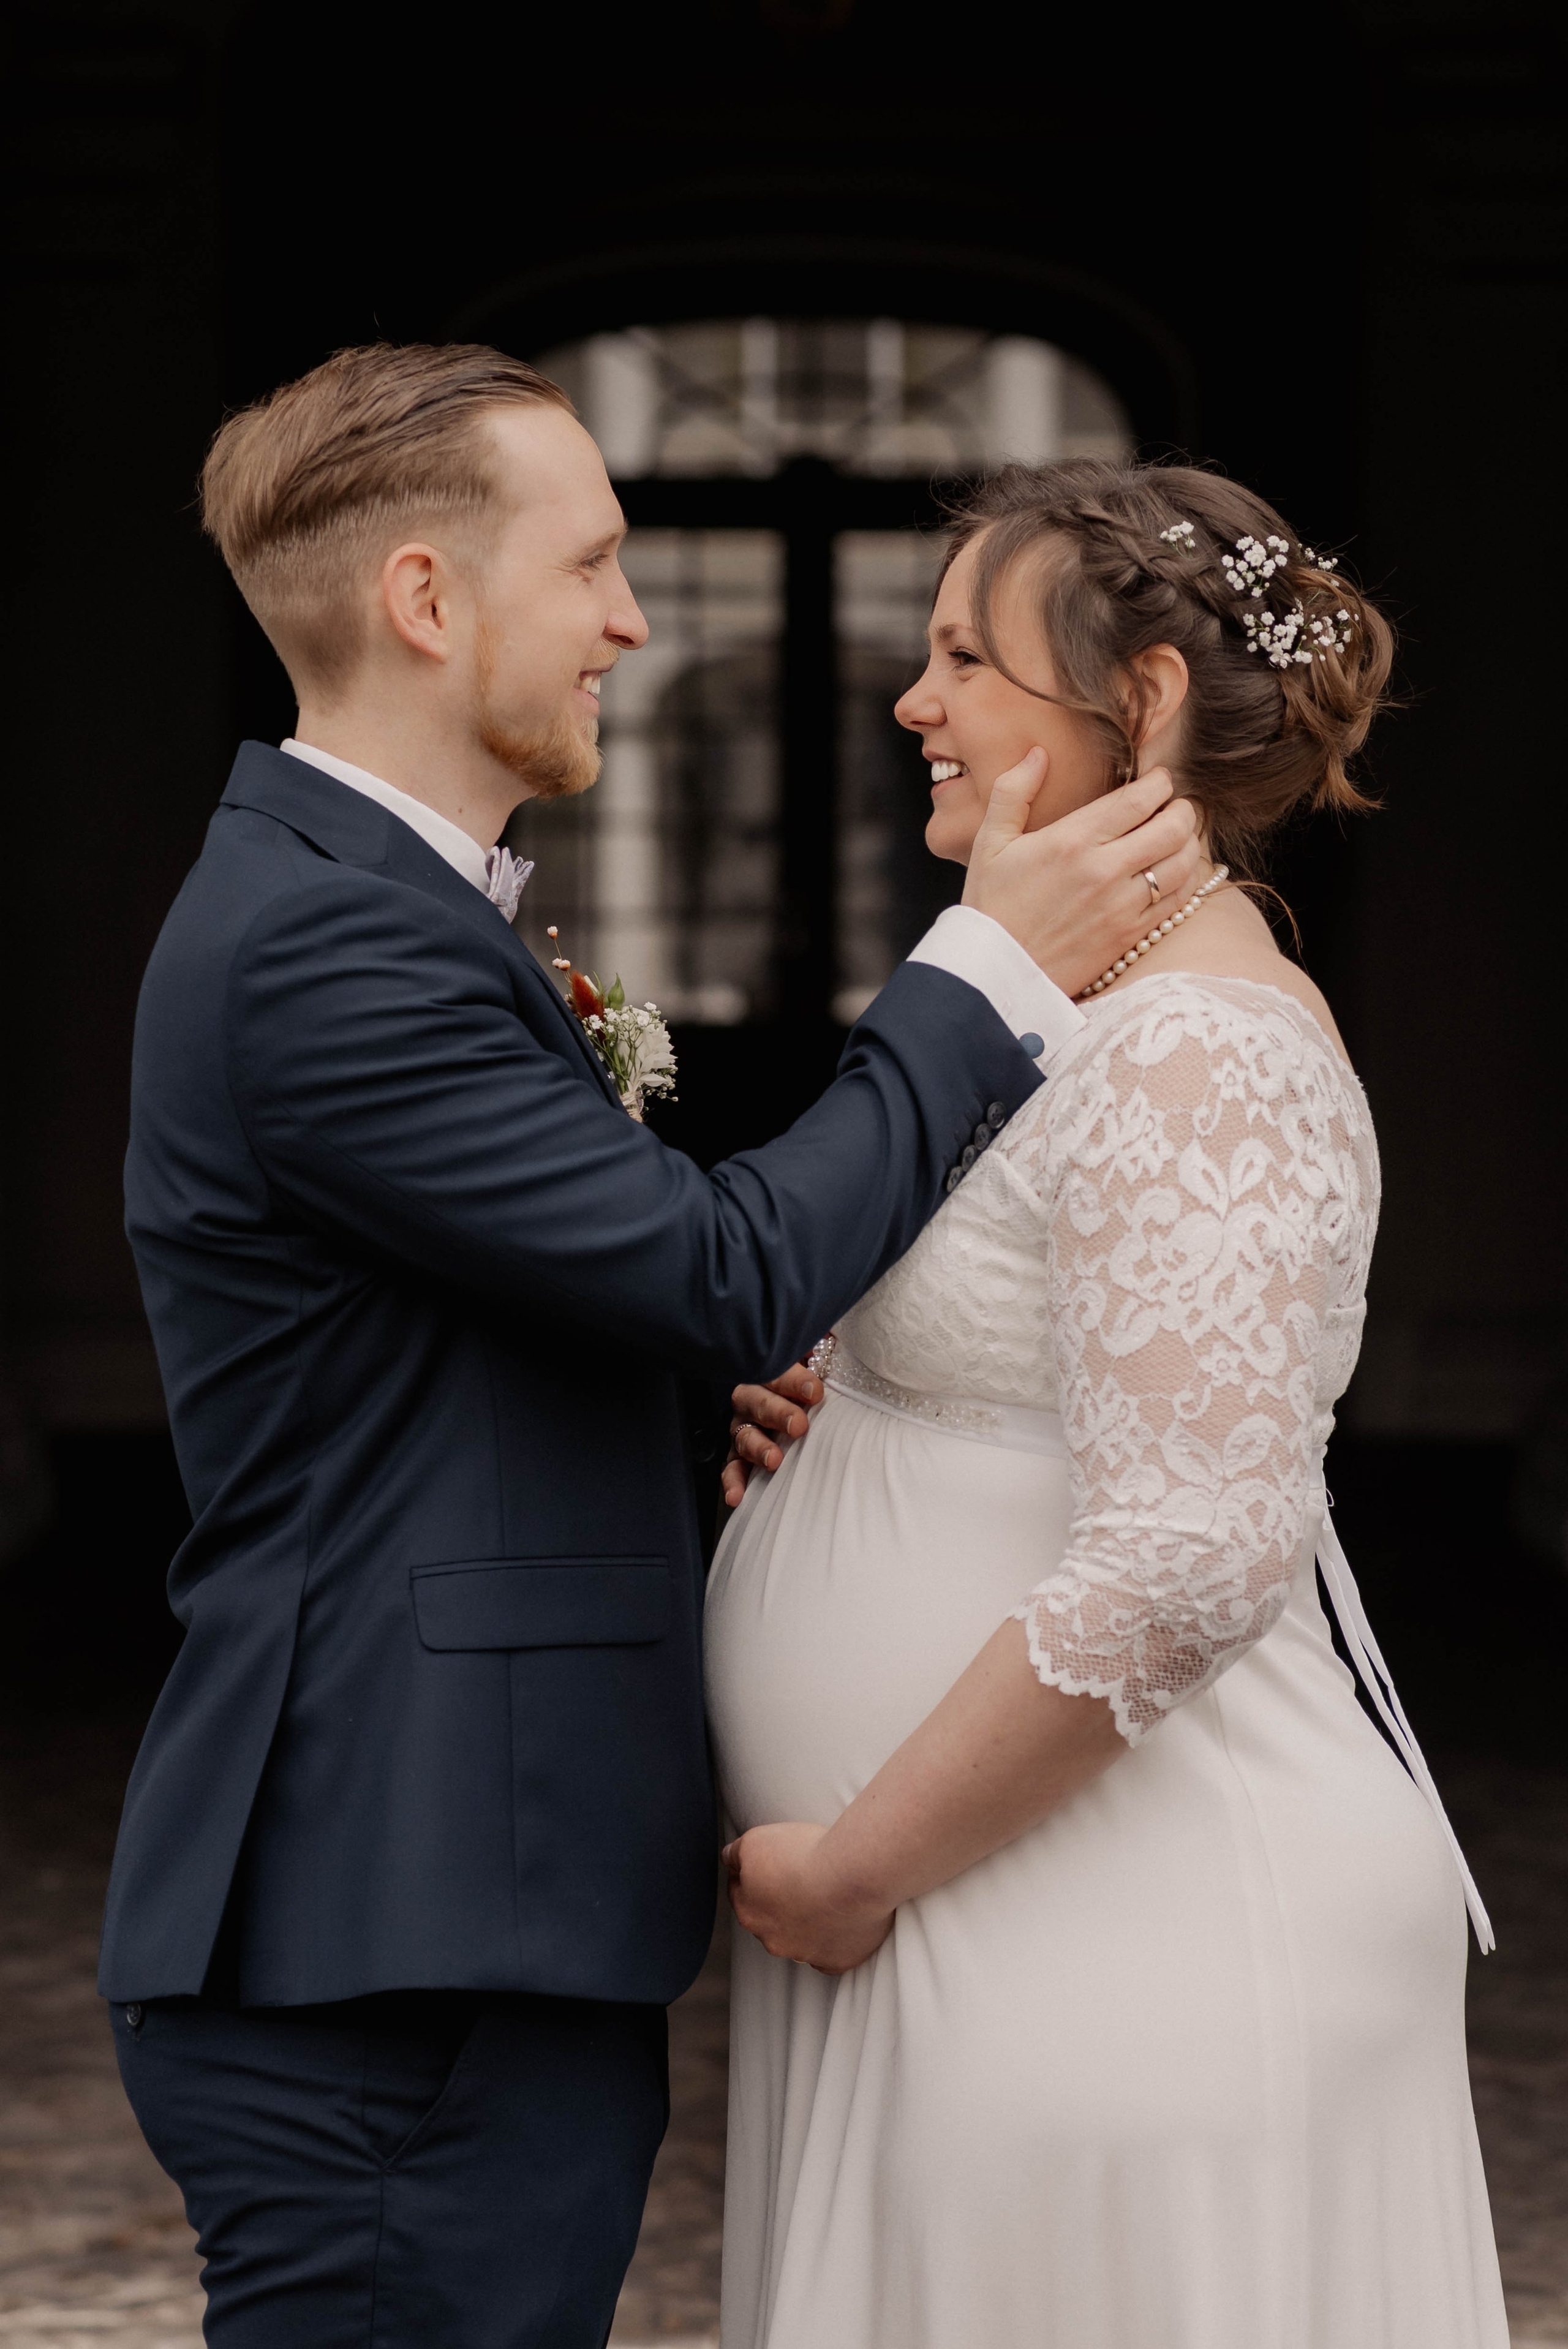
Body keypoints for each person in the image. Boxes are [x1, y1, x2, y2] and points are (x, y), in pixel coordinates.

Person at [99, 345, 1199, 2348]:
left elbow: (476, 1335)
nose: (628, 618)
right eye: (596, 564)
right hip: (394, 1952)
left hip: (445, 1932)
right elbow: (724, 1263)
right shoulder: (328, 941)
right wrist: (991, 969)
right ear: (427, 600)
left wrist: (676, 1394)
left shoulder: (378, 915)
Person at [708, 459, 1509, 2348]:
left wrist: (853, 1862)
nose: (917, 702)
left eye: (967, 658)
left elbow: (1194, 1546)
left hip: (1122, 1936)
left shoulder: (1203, 1051)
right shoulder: (1057, 1011)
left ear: (1138, 701)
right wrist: (849, 1405)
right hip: (1017, 1928)